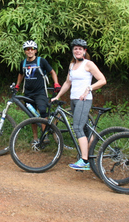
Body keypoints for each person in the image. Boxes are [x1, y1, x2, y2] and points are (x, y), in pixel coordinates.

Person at [52, 39, 106, 170]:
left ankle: (84, 160)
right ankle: (90, 154)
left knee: (77, 127)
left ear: (84, 51)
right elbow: (67, 83)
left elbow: (102, 80)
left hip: (84, 100)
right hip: (74, 100)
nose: (77, 51)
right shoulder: (72, 65)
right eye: (75, 48)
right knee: (85, 128)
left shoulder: (89, 64)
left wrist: (89, 88)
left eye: (80, 49)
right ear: (73, 50)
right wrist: (58, 96)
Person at [15, 40, 61, 142]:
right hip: (28, 93)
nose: (30, 51)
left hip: (40, 92)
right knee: (32, 116)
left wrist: (56, 83)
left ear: (35, 51)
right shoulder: (23, 63)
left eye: (32, 49)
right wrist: (17, 85)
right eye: (27, 49)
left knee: (43, 111)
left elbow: (52, 72)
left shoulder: (41, 61)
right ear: (25, 51)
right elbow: (21, 74)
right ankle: (35, 138)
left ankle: (45, 136)